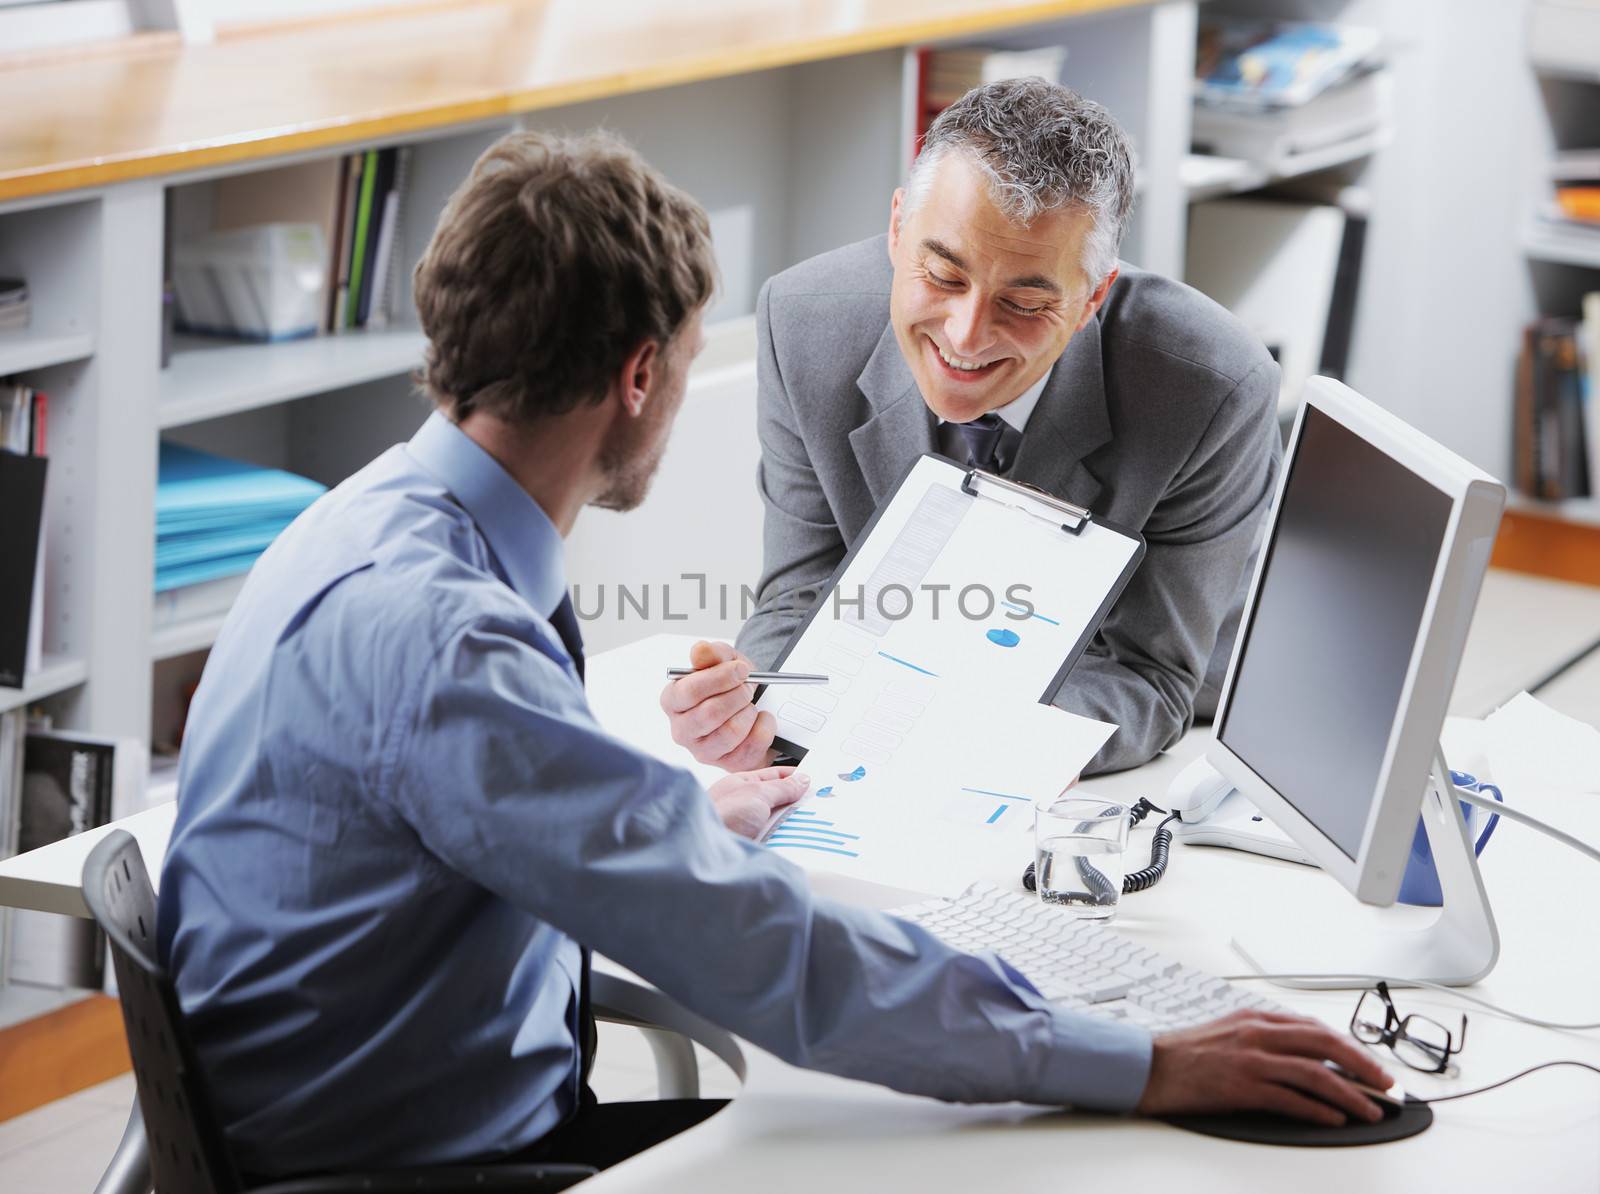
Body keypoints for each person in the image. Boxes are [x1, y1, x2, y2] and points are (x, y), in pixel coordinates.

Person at [158, 128, 1389, 1181]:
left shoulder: (371, 521)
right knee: (982, 1154)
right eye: (690, 365)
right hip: (421, 1170)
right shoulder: (447, 639)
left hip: (379, 1118)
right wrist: (1148, 1059)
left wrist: (676, 812)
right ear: (641, 375)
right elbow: (776, 959)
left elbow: (475, 795)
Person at [662, 79, 1279, 777]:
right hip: (887, 734)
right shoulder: (802, 325)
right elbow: (804, 596)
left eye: (1022, 301)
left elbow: (1148, 677)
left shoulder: (1212, 386)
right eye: (943, 275)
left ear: (1092, 298)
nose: (966, 335)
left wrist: (942, 737)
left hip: (1134, 736)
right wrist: (756, 713)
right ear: (898, 230)